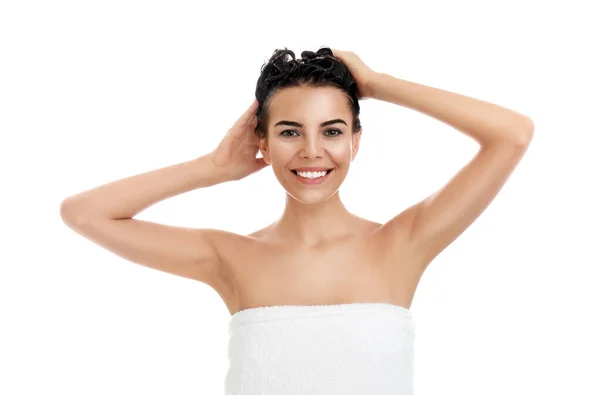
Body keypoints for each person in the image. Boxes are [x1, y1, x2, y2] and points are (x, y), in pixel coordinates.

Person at [60, 46, 534, 394]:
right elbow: (83, 213)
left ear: (356, 141)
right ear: (261, 143)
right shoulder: (230, 257)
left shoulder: (402, 244)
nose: (312, 151)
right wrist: (213, 168)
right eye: (289, 132)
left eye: (332, 130)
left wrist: (376, 83)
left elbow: (513, 135)